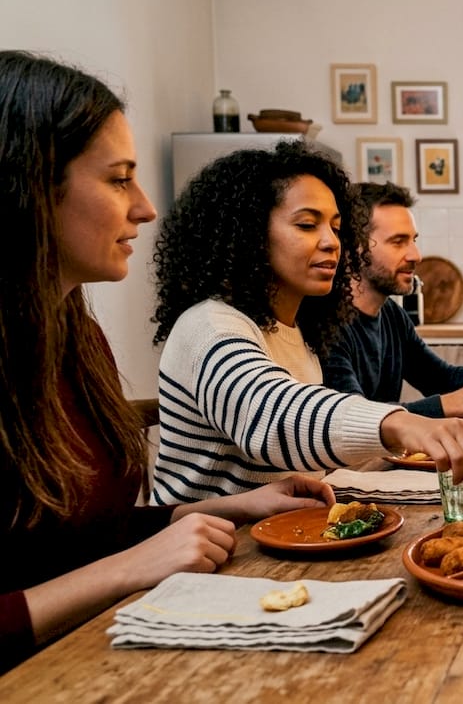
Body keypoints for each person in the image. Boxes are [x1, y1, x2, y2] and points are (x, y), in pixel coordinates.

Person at [0, 51, 337, 673]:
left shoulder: (76, 338)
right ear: (27, 185)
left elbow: (75, 533)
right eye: (118, 178)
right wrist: (128, 567)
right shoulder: (213, 323)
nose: (146, 207)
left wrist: (217, 510)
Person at [150, 143, 463, 506]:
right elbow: (270, 416)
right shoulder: (209, 326)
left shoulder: (302, 330)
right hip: (200, 553)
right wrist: (401, 423)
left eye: (336, 227)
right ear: (249, 233)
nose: (332, 243)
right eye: (307, 225)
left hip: (277, 540)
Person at [321, 182, 463, 416]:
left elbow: (441, 379)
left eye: (413, 240)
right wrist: (454, 403)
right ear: (354, 247)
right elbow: (354, 418)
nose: (416, 255)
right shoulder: (325, 323)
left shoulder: (392, 315)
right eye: (398, 241)